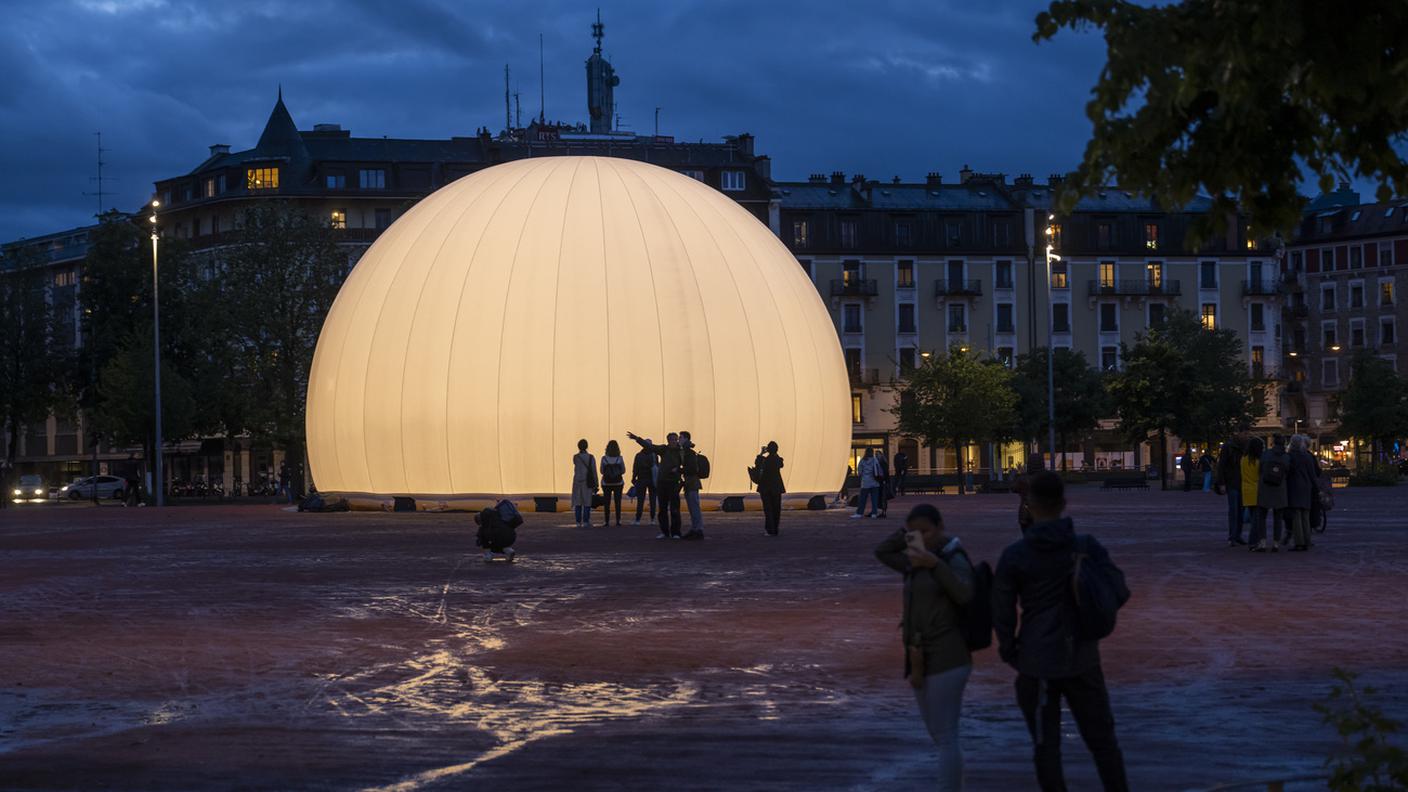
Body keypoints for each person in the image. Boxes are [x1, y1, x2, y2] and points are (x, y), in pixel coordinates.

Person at [993, 471, 1131, 792]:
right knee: (1103, 742)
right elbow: (1119, 590)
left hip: (1036, 659)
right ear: (1064, 503)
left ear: (1030, 504)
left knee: (1046, 747)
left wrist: (1010, 649)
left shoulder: (1017, 554)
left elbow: (1001, 609)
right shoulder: (1085, 547)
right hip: (1082, 656)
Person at [874, 503, 974, 791]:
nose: (921, 538)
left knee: (945, 735)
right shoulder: (914, 560)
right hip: (919, 657)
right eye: (914, 532)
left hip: (948, 655)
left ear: (941, 527)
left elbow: (965, 593)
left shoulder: (953, 557)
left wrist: (935, 565)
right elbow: (882, 552)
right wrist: (906, 535)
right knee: (937, 732)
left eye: (926, 531)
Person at [628, 431, 683, 539]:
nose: (674, 441)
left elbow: (687, 464)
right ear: (668, 441)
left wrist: (679, 470)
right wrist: (637, 438)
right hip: (662, 482)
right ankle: (665, 532)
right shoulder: (663, 449)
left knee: (675, 508)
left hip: (674, 482)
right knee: (662, 509)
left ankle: (676, 532)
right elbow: (650, 446)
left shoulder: (681, 452)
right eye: (672, 440)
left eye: (675, 439)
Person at [1252, 435, 1290, 552]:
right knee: (1278, 518)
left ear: (1273, 443)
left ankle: (1263, 542)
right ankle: (1276, 543)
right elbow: (1288, 472)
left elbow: (1260, 470)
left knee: (1261, 516)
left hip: (1265, 488)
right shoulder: (1286, 457)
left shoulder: (1266, 454)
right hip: (1280, 489)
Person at [1285, 435, 1317, 551]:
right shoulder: (1307, 457)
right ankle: (1307, 540)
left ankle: (1299, 542)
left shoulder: (1289, 457)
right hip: (1306, 487)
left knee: (1296, 515)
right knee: (1305, 515)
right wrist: (1316, 487)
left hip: (1293, 487)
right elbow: (1312, 474)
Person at [1214, 439, 1245, 546]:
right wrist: (1221, 482)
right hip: (1232, 482)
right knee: (1234, 510)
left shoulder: (1245, 446)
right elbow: (1221, 465)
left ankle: (1237, 535)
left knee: (1241, 510)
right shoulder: (1228, 447)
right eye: (1245, 433)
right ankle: (1232, 536)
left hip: (1242, 482)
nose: (1247, 435)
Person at [755, 442, 786, 536]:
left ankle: (769, 530)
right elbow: (781, 464)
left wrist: (761, 453)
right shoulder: (777, 460)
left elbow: (757, 463)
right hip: (776, 487)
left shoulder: (764, 460)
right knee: (776, 509)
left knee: (768, 510)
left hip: (765, 487)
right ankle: (775, 529)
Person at [679, 430, 705, 540]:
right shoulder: (687, 452)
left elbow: (692, 469)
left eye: (681, 438)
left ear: (686, 439)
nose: (679, 440)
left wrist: (680, 470)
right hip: (691, 483)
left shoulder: (689, 453)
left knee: (694, 507)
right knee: (693, 507)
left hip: (692, 483)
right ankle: (695, 528)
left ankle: (698, 529)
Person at [1012, 452, 1045, 533]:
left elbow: (1013, 488)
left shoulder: (1022, 479)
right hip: (1042, 511)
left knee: (1027, 538)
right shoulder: (1046, 478)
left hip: (1025, 512)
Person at [1240, 436, 1263, 548]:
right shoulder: (1258, 461)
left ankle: (1254, 540)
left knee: (1253, 516)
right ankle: (1253, 541)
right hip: (1257, 490)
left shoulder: (1243, 459)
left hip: (1246, 490)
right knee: (1257, 520)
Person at [571, 439, 597, 529]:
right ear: (587, 446)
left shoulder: (575, 457)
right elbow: (594, 471)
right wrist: (596, 484)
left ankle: (578, 521)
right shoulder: (591, 457)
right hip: (587, 482)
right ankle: (586, 521)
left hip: (577, 482)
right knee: (587, 502)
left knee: (578, 502)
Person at [600, 440, 626, 527]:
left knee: (607, 503)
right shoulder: (620, 458)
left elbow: (601, 471)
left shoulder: (604, 458)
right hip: (618, 483)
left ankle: (606, 521)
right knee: (617, 502)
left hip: (606, 483)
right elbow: (623, 470)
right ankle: (618, 521)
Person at [631, 442, 657, 525]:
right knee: (652, 499)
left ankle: (638, 519)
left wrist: (634, 477)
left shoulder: (639, 455)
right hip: (652, 479)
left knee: (640, 500)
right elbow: (657, 467)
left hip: (642, 478)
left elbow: (635, 467)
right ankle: (652, 519)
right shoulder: (654, 455)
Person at [852, 448, 881, 519]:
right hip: (875, 482)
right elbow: (879, 469)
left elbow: (860, 472)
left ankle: (859, 513)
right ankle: (874, 513)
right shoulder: (875, 460)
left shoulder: (862, 461)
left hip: (865, 483)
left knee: (863, 499)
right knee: (874, 499)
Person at [875, 449, 892, 518]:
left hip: (883, 482)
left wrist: (883, 480)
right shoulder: (880, 462)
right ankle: (882, 511)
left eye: (877, 455)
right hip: (882, 482)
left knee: (883, 497)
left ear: (881, 455)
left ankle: (883, 512)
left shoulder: (882, 463)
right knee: (882, 497)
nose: (876, 456)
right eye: (875, 455)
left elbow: (885, 473)